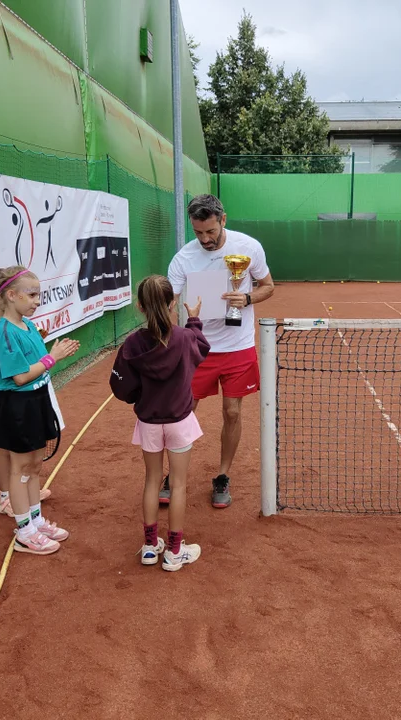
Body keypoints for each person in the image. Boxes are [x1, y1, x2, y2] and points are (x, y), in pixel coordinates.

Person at [163, 194, 275, 508]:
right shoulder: (184, 258)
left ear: (222, 219)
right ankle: (172, 476)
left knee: (233, 412)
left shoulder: (248, 247)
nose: (205, 239)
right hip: (199, 349)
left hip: (238, 347)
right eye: (198, 233)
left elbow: (268, 286)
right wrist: (164, 317)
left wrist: (248, 299)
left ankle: (222, 475)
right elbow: (168, 300)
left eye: (210, 232)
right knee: (184, 412)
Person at [109, 275, 211, 571]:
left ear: (139, 306)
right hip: (179, 421)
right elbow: (201, 348)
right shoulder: (184, 337)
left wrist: (140, 396)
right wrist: (194, 320)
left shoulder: (132, 343)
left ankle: (151, 547)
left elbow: (121, 387)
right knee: (177, 485)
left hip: (149, 422)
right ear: (172, 303)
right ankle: (175, 551)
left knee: (152, 481)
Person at [0, 266, 79, 555]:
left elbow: (36, 365)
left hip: (38, 399)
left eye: (38, 294)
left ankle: (35, 520)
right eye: (31, 295)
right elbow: (20, 376)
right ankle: (24, 531)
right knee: (20, 469)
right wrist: (53, 357)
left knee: (34, 466)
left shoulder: (28, 326)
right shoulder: (4, 331)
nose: (37, 300)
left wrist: (49, 353)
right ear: (11, 295)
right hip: (18, 405)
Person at [0, 269, 50, 517]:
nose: (36, 300)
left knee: (21, 457)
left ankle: (23, 498)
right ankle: (6, 496)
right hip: (6, 396)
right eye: (31, 294)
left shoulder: (22, 324)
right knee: (8, 452)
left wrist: (23, 355)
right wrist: (11, 361)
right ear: (1, 295)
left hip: (24, 394)